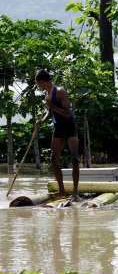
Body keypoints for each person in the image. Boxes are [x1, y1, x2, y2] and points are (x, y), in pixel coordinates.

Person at [34, 69, 81, 201]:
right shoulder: (46, 93)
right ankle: (62, 191)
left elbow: (68, 113)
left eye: (38, 84)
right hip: (58, 127)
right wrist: (42, 121)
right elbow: (50, 112)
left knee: (74, 158)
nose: (39, 87)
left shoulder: (60, 91)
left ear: (42, 82)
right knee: (53, 159)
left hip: (69, 126)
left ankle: (75, 193)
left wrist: (53, 106)